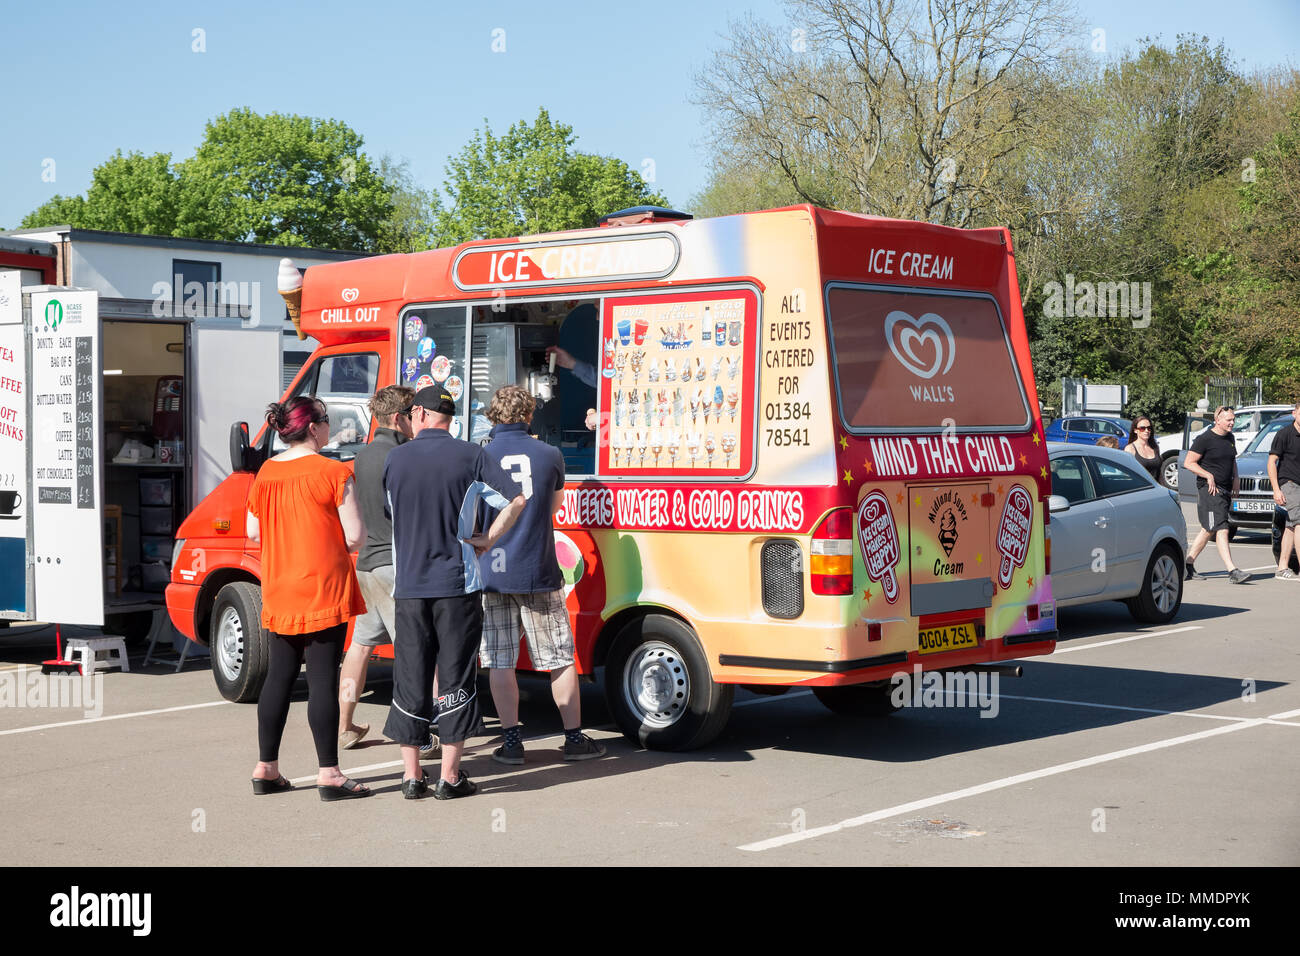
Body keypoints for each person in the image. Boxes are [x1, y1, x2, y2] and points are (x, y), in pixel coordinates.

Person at [383, 386, 527, 799]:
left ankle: (411, 777)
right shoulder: (472, 455)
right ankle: (449, 777)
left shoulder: (395, 459)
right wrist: (489, 540)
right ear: (449, 418)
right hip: (458, 585)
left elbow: (391, 510)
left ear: (419, 414)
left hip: (408, 586)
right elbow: (516, 500)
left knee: (410, 673)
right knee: (456, 674)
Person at [247, 396, 372, 800]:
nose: (329, 427)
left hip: (280, 586)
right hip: (323, 586)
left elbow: (253, 531)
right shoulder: (332, 472)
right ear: (313, 427)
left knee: (278, 678)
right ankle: (330, 774)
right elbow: (354, 536)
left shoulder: (265, 472)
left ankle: (266, 768)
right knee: (321, 680)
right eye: (326, 420)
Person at [477, 386, 606, 765]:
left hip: (493, 571)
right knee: (558, 657)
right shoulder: (550, 454)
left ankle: (512, 741)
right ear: (529, 414)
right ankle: (574, 737)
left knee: (500, 660)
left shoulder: (481, 455)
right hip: (537, 567)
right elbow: (551, 508)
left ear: (493, 416)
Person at [338, 385, 438, 761]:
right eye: (413, 414)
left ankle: (346, 725)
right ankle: (419, 733)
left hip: (366, 564)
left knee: (360, 647)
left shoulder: (361, 456)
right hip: (397, 566)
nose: (417, 420)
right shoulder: (404, 456)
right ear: (399, 418)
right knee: (414, 651)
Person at [1184, 406, 1249, 583]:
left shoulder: (1230, 437)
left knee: (1209, 528)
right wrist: (1208, 475)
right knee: (1221, 528)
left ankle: (1187, 565)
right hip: (1210, 490)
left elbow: (1232, 460)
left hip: (1226, 488)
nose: (1232, 422)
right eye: (1229, 420)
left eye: (1233, 419)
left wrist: (1236, 478)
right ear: (1217, 420)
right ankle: (1233, 571)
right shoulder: (1204, 439)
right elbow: (1189, 463)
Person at [1267, 401, 1300, 580]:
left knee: (1291, 526)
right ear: (1295, 413)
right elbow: (1271, 462)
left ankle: (1282, 567)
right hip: (1289, 483)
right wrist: (1276, 489)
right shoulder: (1284, 434)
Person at [1124, 416, 1162, 483]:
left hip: (1155, 489)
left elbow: (1159, 473)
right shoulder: (1130, 449)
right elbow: (1127, 475)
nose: (1146, 431)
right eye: (1142, 428)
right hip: (1139, 489)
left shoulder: (1155, 447)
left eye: (1149, 428)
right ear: (1135, 430)